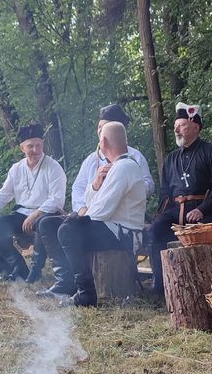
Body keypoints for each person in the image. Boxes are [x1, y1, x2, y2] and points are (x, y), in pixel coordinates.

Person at [36, 102, 154, 296]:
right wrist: (96, 185)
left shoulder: (127, 163)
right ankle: (66, 282)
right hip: (101, 221)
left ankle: (85, 292)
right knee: (48, 224)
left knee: (68, 229)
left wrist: (80, 217)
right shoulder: (95, 160)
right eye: (99, 128)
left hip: (121, 232)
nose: (99, 134)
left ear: (105, 141)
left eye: (103, 131)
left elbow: (101, 211)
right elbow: (81, 191)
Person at [149, 102, 212, 295]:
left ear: (195, 127)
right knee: (155, 230)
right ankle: (161, 287)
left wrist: (202, 209)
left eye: (181, 125)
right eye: (176, 126)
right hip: (176, 211)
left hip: (203, 210)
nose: (176, 129)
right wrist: (160, 213)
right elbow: (165, 191)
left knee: (202, 234)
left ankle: (205, 289)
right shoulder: (171, 159)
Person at [0, 123, 66, 281]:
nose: (35, 150)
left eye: (38, 145)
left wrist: (36, 214)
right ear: (22, 148)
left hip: (46, 214)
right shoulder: (16, 169)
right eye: (30, 146)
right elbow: (4, 194)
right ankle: (18, 268)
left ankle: (35, 270)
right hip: (22, 213)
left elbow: (57, 198)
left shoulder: (54, 167)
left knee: (42, 224)